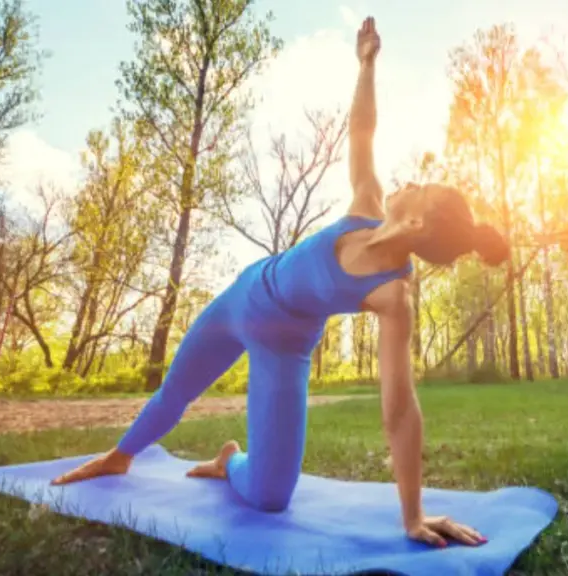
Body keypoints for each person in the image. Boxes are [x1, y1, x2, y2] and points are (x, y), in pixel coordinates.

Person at [51, 16, 509, 549]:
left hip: (284, 347)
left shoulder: (393, 296)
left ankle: (230, 460)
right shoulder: (366, 204)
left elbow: (400, 409)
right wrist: (366, 64)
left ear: (417, 226)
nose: (409, 181)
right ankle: (119, 456)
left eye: (421, 188)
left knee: (271, 497)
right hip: (242, 298)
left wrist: (413, 515)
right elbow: (361, 130)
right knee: (175, 391)